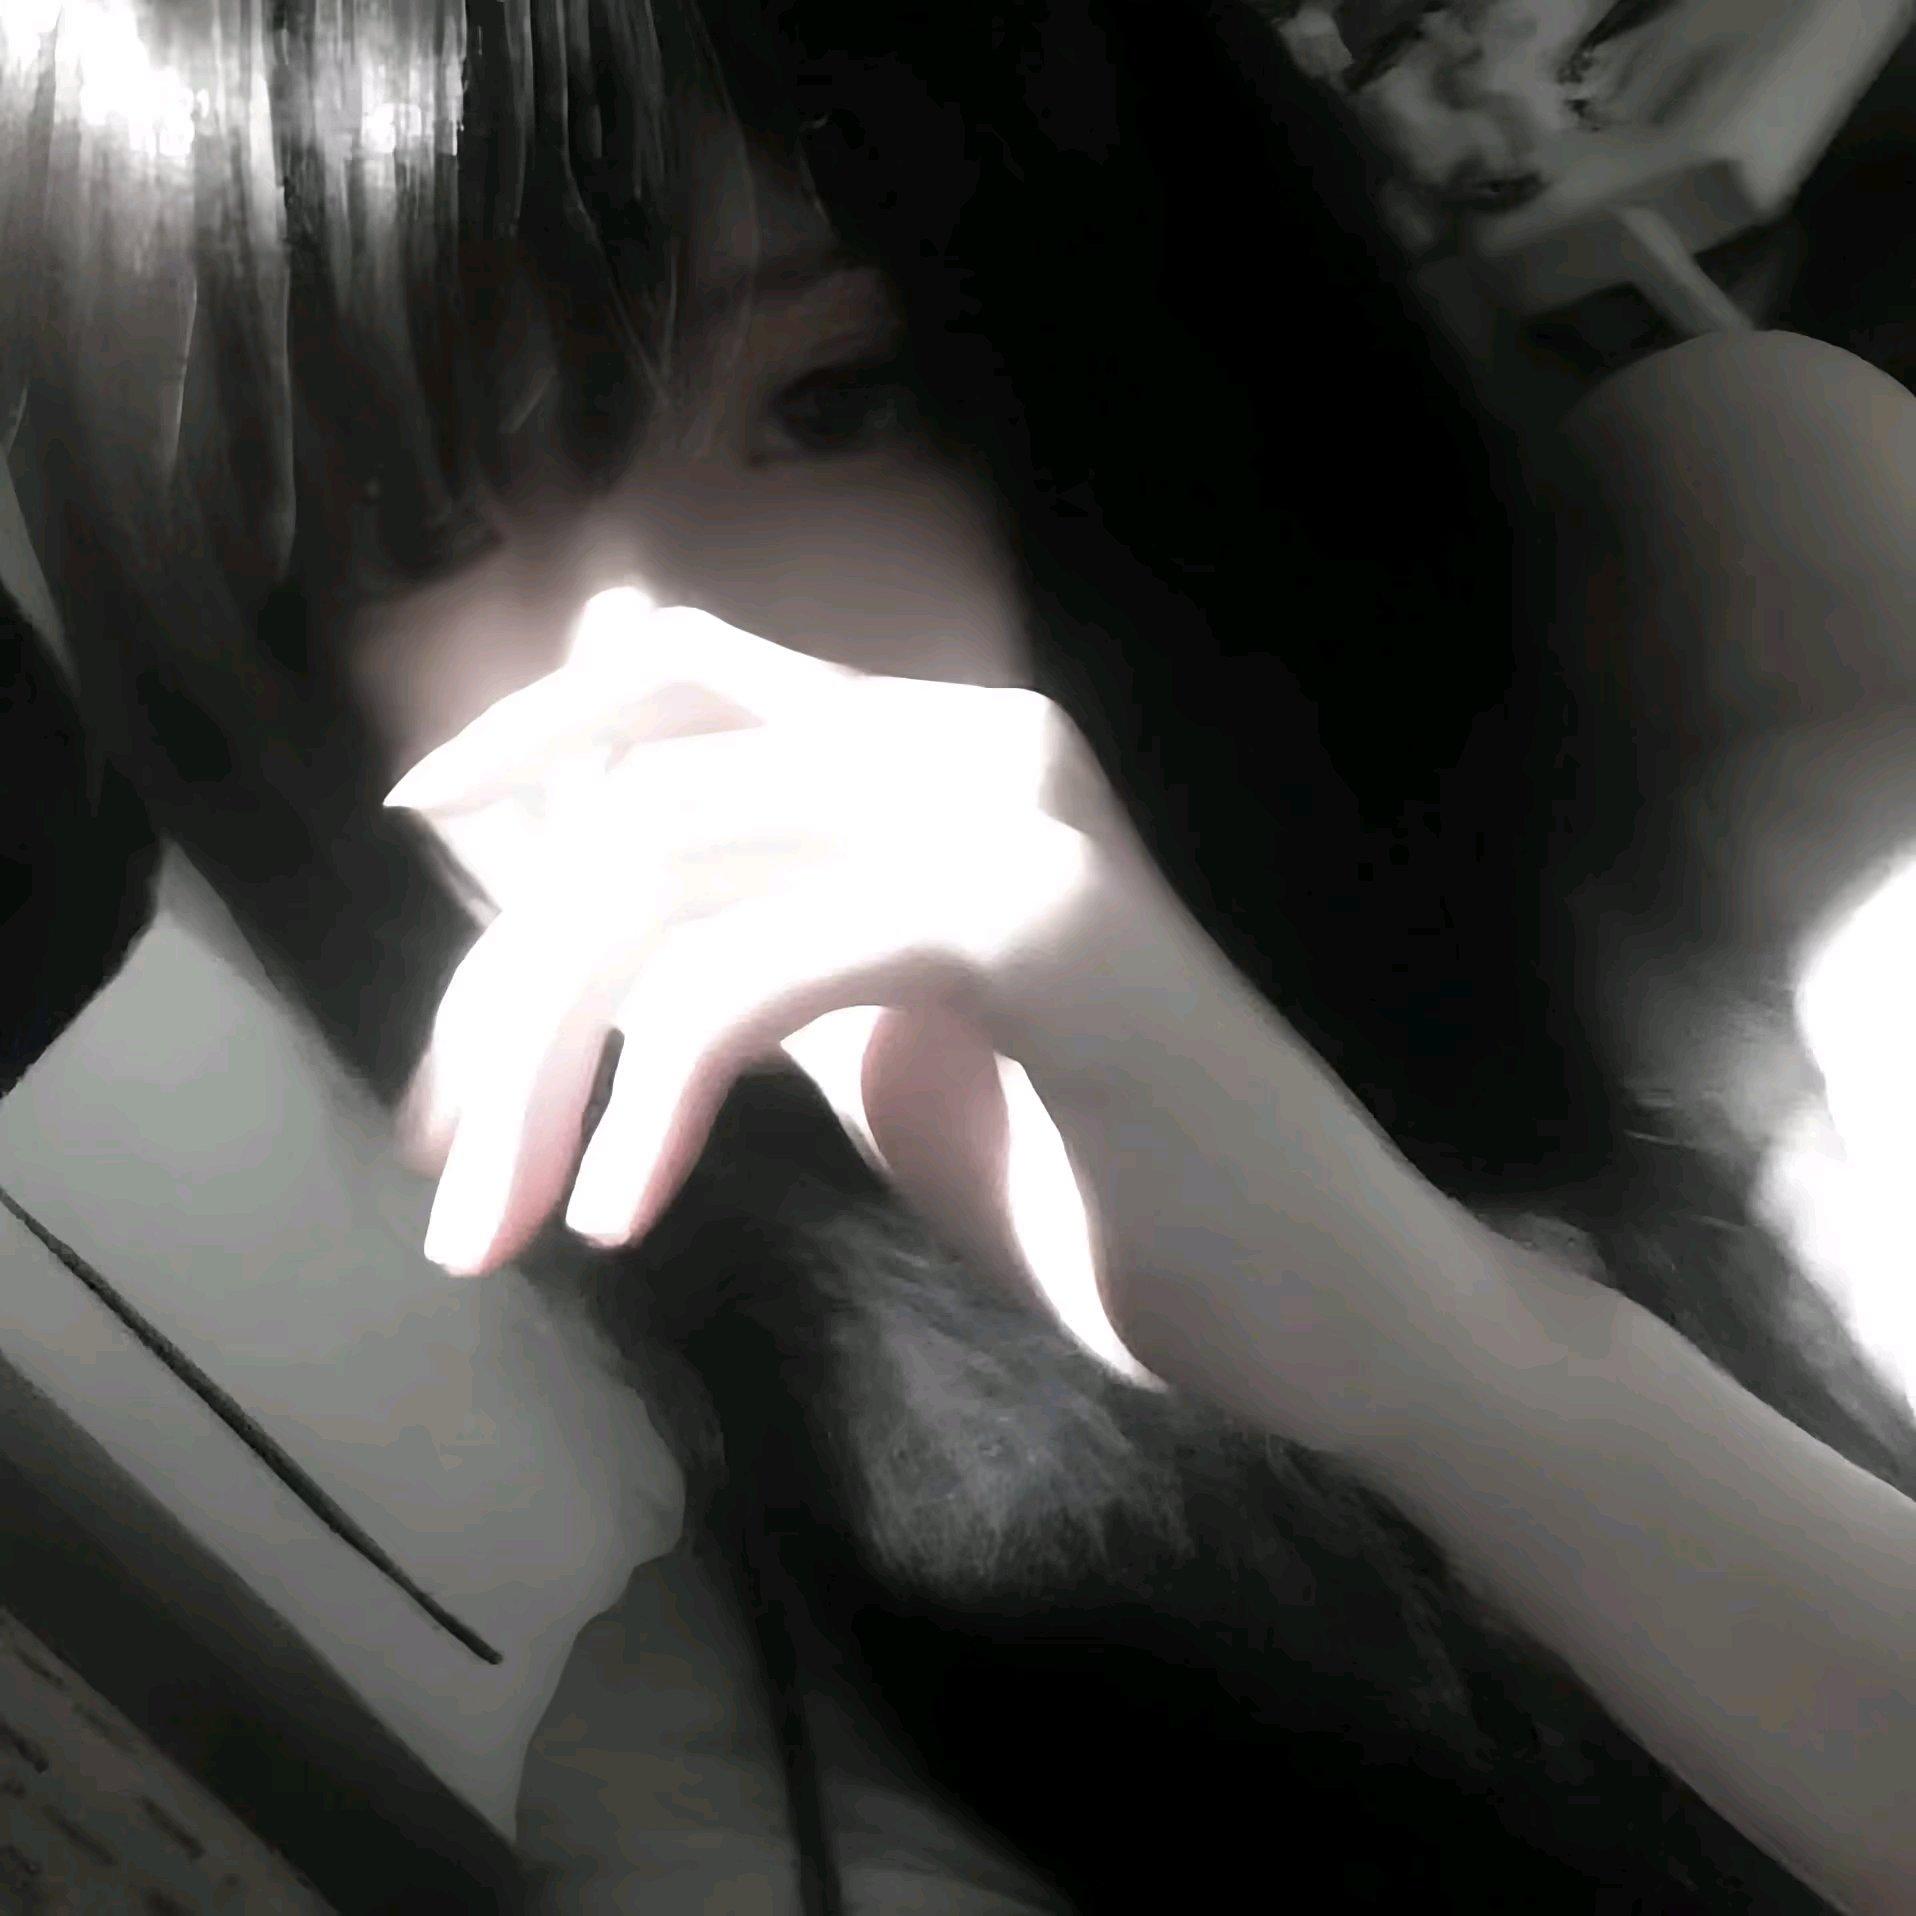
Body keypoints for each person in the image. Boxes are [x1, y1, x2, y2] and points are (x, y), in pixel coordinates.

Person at [3, 1, 1913, 1909]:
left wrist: (1444, 1359)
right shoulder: (737, 1794)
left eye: (837, 399)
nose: (668, 661)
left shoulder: (1725, 605)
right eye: (410, 527)